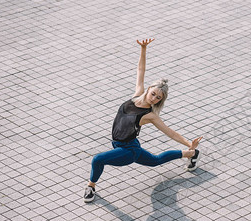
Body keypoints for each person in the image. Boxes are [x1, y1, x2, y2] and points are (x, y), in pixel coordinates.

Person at [84, 38, 202, 203]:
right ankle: (190, 154)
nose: (154, 99)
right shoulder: (136, 94)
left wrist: (189, 142)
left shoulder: (150, 115)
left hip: (128, 150)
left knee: (97, 159)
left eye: (158, 98)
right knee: (156, 161)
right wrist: (144, 49)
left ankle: (91, 186)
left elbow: (170, 132)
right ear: (148, 90)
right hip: (120, 145)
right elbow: (141, 69)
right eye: (153, 94)